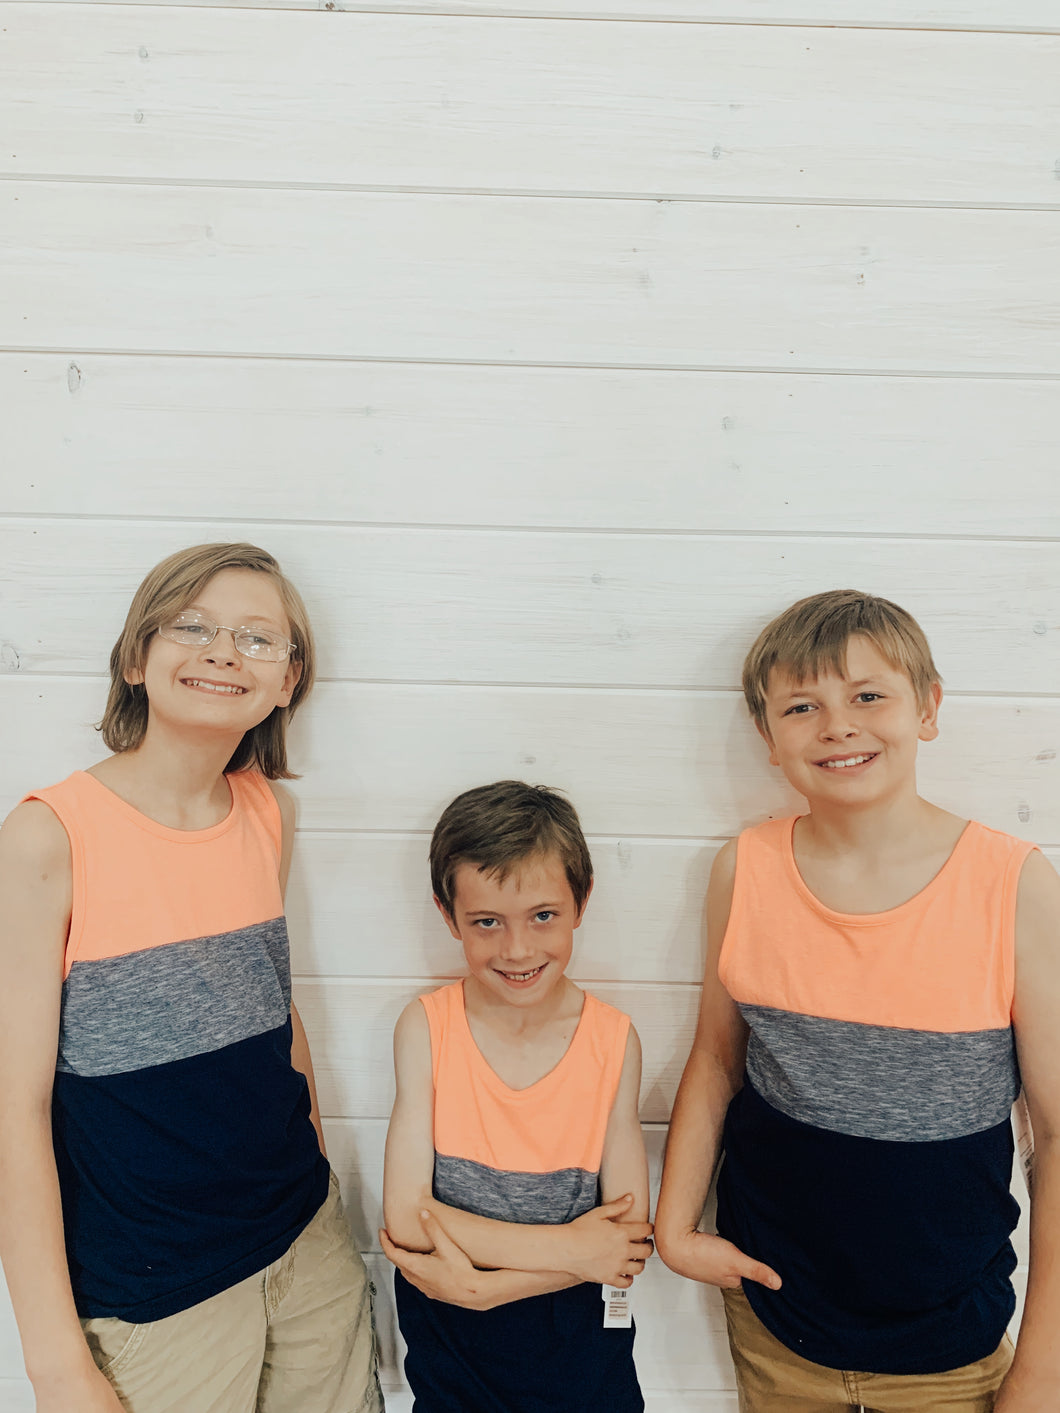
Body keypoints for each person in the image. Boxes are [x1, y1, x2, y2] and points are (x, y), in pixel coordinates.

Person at [655, 589, 1060, 1413]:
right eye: (801, 706)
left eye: (868, 695)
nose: (837, 725)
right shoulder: (745, 868)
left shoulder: (1012, 884)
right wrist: (674, 1226)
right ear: (770, 738)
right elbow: (715, 1057)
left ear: (929, 707)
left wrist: (1044, 1374)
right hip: (774, 1324)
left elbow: (1055, 1135)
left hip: (953, 1348)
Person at [0, 543, 383, 1413]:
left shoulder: (267, 812)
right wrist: (55, 1362)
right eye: (193, 626)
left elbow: (270, 1014)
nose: (222, 652)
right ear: (137, 657)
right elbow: (11, 1107)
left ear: (290, 680)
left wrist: (316, 1171)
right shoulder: (47, 838)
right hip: (156, 1290)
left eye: (257, 638)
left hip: (303, 1244)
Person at [380, 780, 652, 1412]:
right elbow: (407, 1218)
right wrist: (569, 1250)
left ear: (582, 901)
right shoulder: (426, 1028)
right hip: (453, 1339)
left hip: (580, 1346)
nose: (518, 949)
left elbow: (624, 1238)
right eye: (486, 922)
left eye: (543, 916)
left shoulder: (613, 1041)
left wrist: (489, 1283)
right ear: (449, 916)